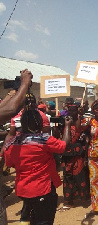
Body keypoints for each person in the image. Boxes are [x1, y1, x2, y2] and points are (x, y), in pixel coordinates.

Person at [4, 108, 72, 224]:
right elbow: (64, 146)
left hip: (23, 190)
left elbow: (10, 164)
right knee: (43, 220)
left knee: (30, 218)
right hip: (43, 189)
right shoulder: (44, 140)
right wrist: (67, 126)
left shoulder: (11, 143)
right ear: (39, 123)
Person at [0, 69, 33, 225]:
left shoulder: (40, 117)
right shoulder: (15, 118)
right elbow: (11, 110)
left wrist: (14, 91)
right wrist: (25, 84)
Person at [59, 105, 90, 211]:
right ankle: (68, 200)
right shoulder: (64, 123)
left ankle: (84, 198)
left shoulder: (81, 123)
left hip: (77, 154)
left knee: (80, 176)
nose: (72, 112)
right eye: (70, 110)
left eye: (74, 110)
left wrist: (80, 115)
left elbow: (79, 127)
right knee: (68, 177)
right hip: (67, 154)